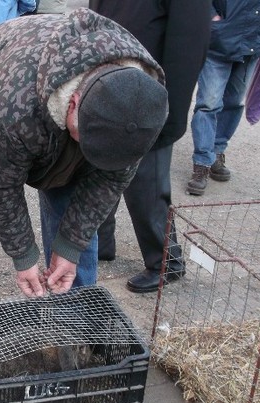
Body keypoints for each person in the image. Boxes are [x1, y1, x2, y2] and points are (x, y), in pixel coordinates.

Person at [0, 8, 169, 329]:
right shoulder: (11, 105)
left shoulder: (138, 106)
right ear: (76, 101)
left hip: (53, 104)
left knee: (74, 222)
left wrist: (69, 247)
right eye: (86, 139)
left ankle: (76, 324)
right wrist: (23, 256)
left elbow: (105, 185)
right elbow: (0, 186)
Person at [87, 0, 211, 293]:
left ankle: (166, 261)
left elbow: (190, 43)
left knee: (147, 183)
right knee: (99, 167)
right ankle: (101, 242)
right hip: (110, 86)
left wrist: (171, 110)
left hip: (150, 94)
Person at [187, 0, 260, 196]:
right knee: (209, 103)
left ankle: (217, 151)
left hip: (256, 36)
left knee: (235, 102)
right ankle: (202, 162)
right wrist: (210, 15)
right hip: (219, 36)